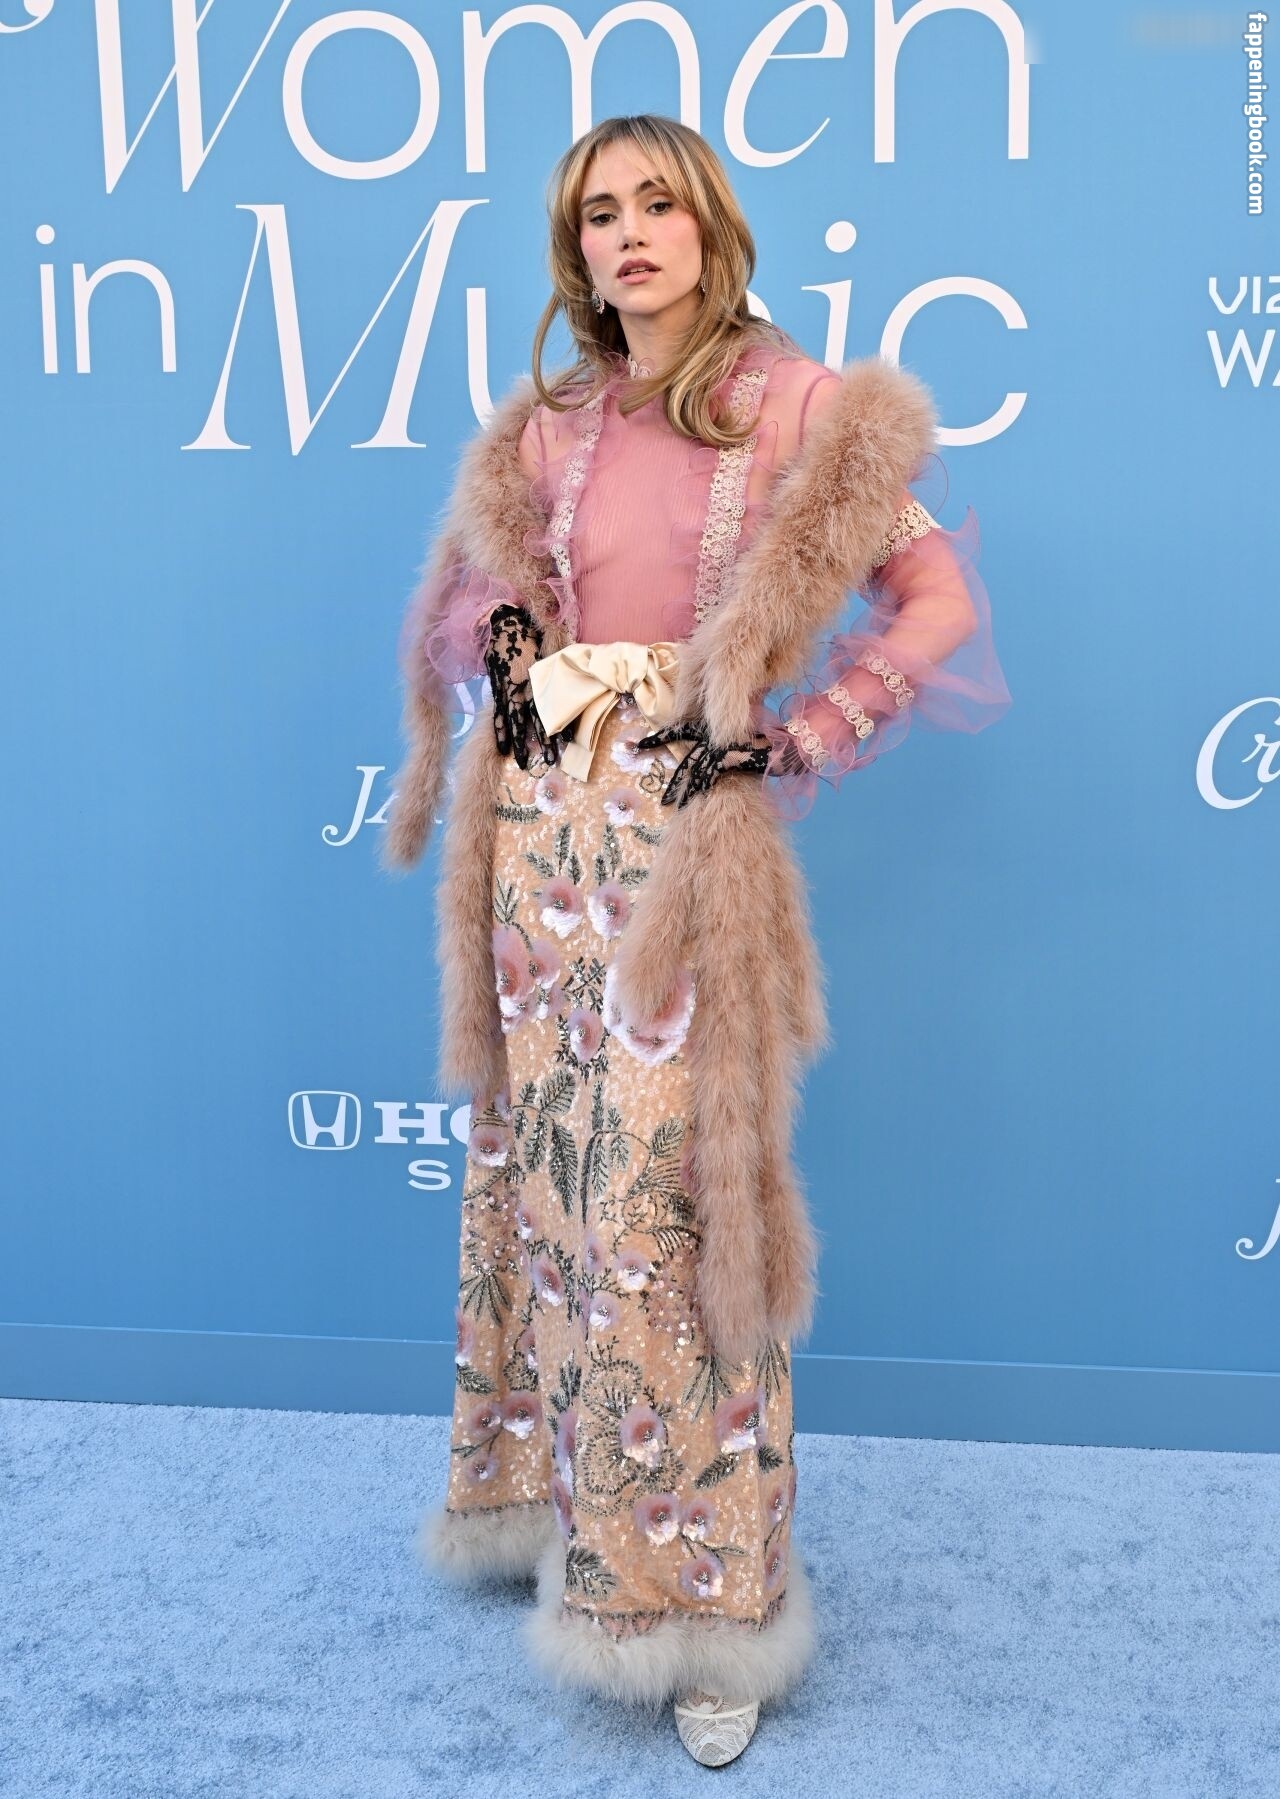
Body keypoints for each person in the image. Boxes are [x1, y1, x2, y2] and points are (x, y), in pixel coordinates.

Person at [381, 113, 1011, 1768]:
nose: (631, 233)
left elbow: (938, 603)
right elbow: (478, 610)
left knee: (673, 1222)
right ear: (576, 252)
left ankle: (713, 1605)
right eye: (602, 213)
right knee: (555, 1206)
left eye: (659, 202)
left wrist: (799, 734)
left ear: (711, 226)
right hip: (538, 867)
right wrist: (517, 660)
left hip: (681, 867)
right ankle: (571, 1524)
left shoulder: (796, 406)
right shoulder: (551, 425)